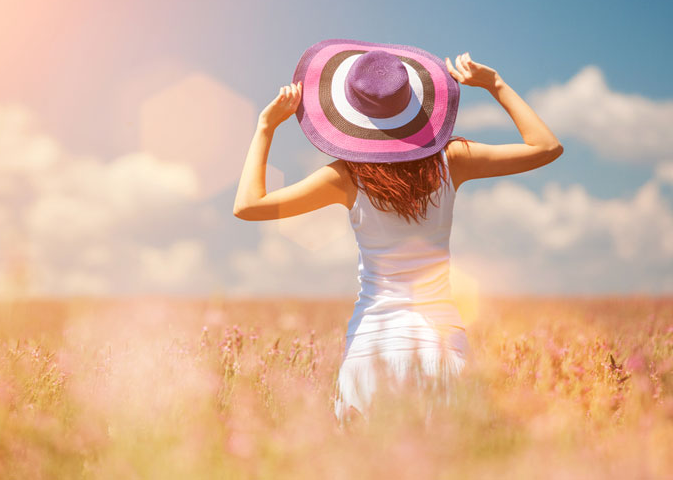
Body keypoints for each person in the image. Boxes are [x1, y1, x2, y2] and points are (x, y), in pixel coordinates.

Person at [232, 39, 563, 427]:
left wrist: (266, 127)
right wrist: (495, 84)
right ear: (412, 105)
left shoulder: (346, 177)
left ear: (352, 116)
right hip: (444, 350)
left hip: (370, 350)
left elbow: (248, 206)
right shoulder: (450, 161)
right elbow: (546, 147)